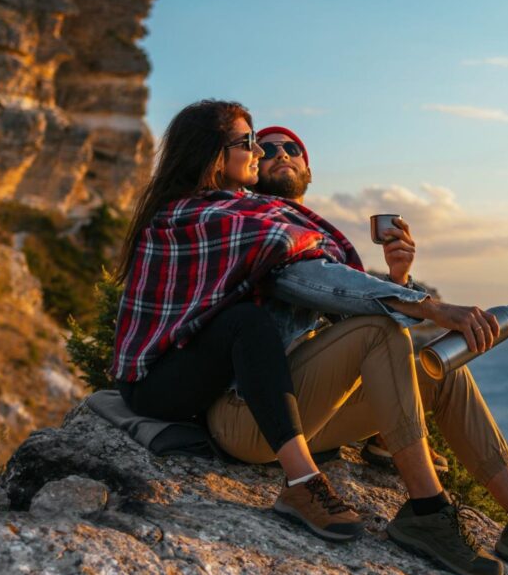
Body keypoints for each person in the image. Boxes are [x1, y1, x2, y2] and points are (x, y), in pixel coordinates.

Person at [205, 125, 508, 575]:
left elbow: (348, 336)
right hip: (247, 417)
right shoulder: (253, 221)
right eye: (266, 147)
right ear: (252, 165)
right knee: (381, 331)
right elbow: (312, 285)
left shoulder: (326, 239)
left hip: (306, 419)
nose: (280, 153)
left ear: (308, 167)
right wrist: (433, 308)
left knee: (441, 372)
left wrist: (398, 277)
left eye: (292, 148)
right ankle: (426, 509)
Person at [111, 100, 368, 543]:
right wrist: (305, 238)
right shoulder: (185, 213)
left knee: (245, 318)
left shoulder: (237, 205)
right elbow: (278, 240)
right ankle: (302, 484)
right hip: (154, 384)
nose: (258, 152)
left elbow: (286, 240)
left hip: (198, 363)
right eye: (248, 143)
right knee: (245, 320)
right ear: (214, 153)